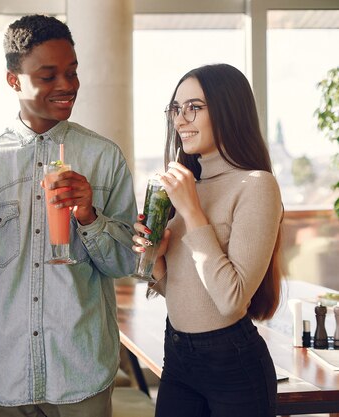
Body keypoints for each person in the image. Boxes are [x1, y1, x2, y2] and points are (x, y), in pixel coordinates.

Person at [0, 14, 137, 417]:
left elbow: (126, 263)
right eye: (48, 76)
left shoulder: (104, 158)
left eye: (72, 72)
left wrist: (89, 215)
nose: (67, 85)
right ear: (14, 80)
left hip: (83, 378)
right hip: (2, 379)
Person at [133, 63, 283, 417]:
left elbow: (230, 301)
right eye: (176, 108)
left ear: (229, 109)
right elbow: (189, 294)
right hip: (179, 357)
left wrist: (193, 212)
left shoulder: (256, 185)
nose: (180, 119)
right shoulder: (189, 185)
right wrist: (156, 260)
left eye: (194, 107)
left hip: (234, 367)